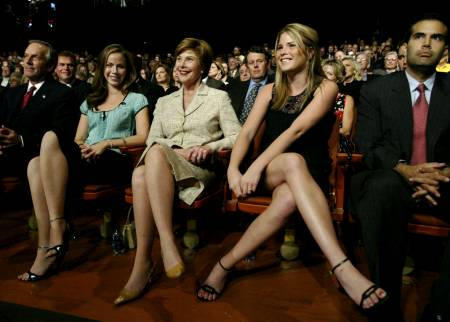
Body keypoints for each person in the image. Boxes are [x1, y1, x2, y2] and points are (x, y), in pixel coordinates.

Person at [197, 23, 387, 313]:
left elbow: (296, 132)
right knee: (290, 161)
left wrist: (254, 166)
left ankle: (223, 266)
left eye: (291, 45)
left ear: (309, 52)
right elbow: (246, 134)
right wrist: (235, 170)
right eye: (280, 46)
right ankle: (342, 267)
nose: (283, 51)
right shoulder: (269, 91)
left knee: (289, 190)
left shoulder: (327, 87)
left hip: (308, 173)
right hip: (271, 170)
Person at [114, 37, 241, 306]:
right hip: (164, 168)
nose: (181, 64)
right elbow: (152, 140)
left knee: (151, 161)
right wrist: (175, 149)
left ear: (203, 67)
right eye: (179, 59)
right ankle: (150, 258)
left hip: (200, 169)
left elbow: (236, 137)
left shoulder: (218, 98)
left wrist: (209, 146)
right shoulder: (164, 101)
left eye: (189, 59)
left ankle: (158, 251)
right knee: (141, 172)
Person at [16, 43, 149, 282]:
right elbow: (78, 137)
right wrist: (84, 147)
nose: (114, 71)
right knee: (35, 163)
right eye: (109, 65)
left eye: (120, 66)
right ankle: (46, 244)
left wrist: (107, 144)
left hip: (115, 160)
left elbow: (143, 136)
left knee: (49, 142)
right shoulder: (90, 100)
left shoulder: (137, 99)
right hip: (87, 158)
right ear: (102, 69)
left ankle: (58, 230)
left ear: (128, 71)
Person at [350, 15, 449, 322]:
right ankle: (386, 301)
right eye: (420, 36)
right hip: (391, 177)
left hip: (442, 180)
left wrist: (443, 175)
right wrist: (407, 171)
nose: (427, 43)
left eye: (436, 38)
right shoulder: (376, 90)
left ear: (445, 49)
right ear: (405, 46)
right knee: (381, 189)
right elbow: (369, 145)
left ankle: (441, 309)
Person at [0, 40, 79, 182]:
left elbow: (60, 134)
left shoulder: (63, 93)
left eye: (35, 57)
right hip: (5, 156)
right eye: (25, 56)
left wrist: (21, 140)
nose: (28, 61)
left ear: (49, 66)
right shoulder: (12, 93)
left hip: (35, 159)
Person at [227, 46, 273, 124]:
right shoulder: (235, 88)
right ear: (247, 66)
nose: (255, 65)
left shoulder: (276, 88)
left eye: (259, 61)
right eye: (251, 62)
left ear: (267, 64)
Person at [322, 58, 356, 137]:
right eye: (322, 72)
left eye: (329, 74)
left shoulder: (346, 99)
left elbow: (346, 131)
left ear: (337, 79)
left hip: (336, 142)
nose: (324, 76)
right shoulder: (310, 95)